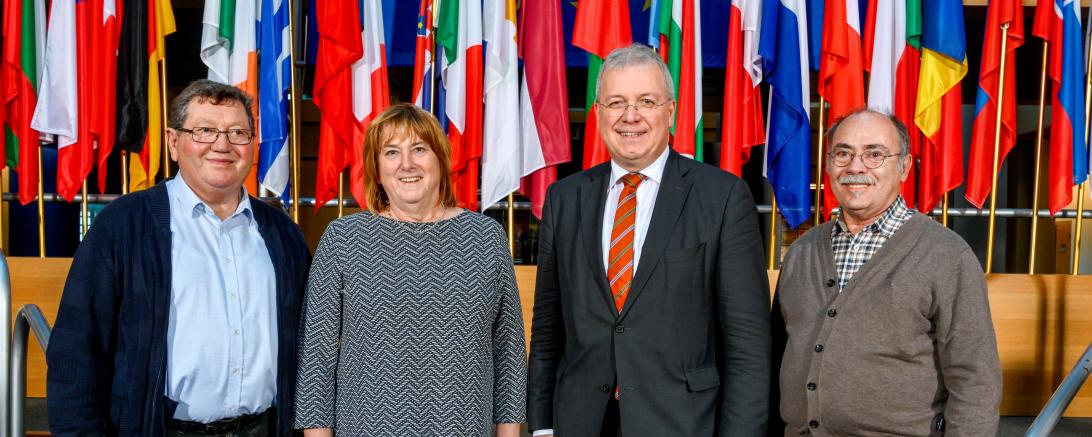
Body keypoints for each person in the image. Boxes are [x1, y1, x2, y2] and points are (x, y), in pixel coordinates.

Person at [527, 44, 771, 436]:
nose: (630, 116)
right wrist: (540, 426)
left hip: (682, 423)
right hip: (581, 422)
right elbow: (548, 330)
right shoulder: (565, 198)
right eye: (616, 102)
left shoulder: (722, 197)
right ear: (598, 112)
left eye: (646, 101)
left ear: (670, 110)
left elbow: (748, 345)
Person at [46, 80, 312, 435]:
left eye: (237, 132)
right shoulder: (124, 226)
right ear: (173, 142)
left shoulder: (283, 235)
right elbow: (76, 351)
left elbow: (311, 351)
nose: (222, 145)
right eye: (204, 131)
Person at [293, 103, 526, 437]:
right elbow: (317, 355)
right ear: (376, 167)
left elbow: (509, 352)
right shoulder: (344, 239)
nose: (406, 164)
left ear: (440, 160)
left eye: (419, 149)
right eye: (391, 152)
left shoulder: (485, 237)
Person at [771, 109, 1002, 436]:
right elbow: (779, 356)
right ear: (828, 165)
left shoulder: (948, 256)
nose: (855, 166)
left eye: (874, 154)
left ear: (904, 166)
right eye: (843, 153)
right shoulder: (801, 251)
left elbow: (975, 378)